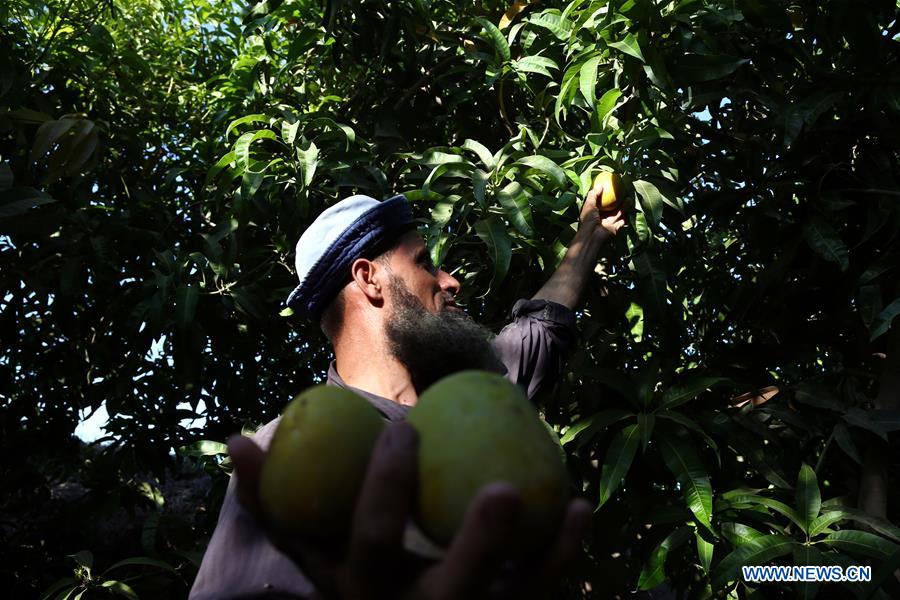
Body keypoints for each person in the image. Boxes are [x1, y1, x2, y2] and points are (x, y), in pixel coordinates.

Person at [190, 187, 625, 599]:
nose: (450, 281)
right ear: (369, 278)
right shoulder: (294, 452)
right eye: (423, 262)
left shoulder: (466, 403)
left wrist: (592, 232)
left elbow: (539, 333)